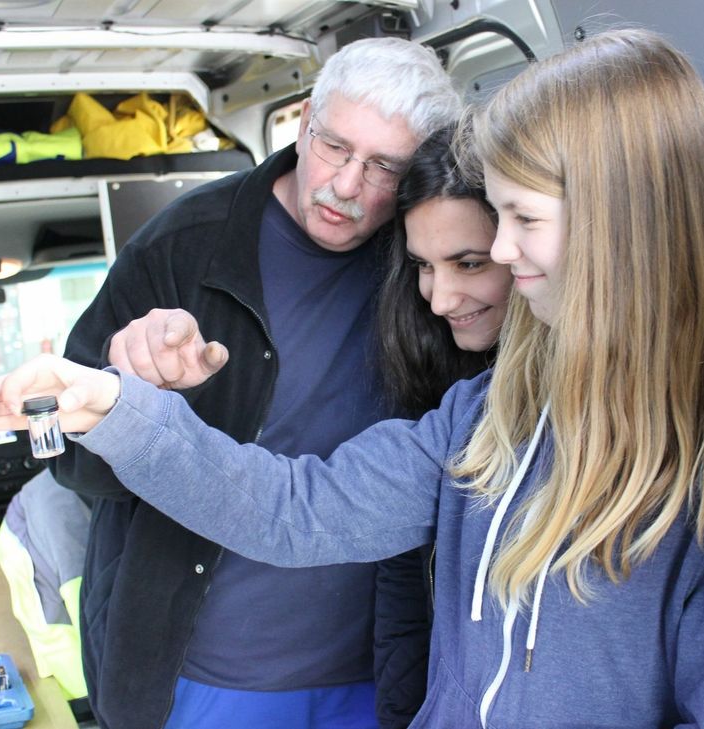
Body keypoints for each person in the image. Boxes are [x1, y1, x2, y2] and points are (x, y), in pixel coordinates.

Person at [0, 29, 704, 728]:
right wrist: (119, 407)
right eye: (332, 146)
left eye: (521, 220)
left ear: (621, 223)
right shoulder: (494, 410)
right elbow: (297, 507)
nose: (492, 258)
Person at [47, 37, 460, 729]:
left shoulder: (429, 270)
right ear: (302, 122)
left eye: (383, 167)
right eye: (334, 147)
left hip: (379, 674)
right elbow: (67, 455)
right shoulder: (181, 245)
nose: (347, 186)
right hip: (203, 680)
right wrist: (140, 395)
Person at [371, 125, 510, 729]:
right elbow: (405, 586)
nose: (441, 298)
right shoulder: (433, 379)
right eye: (424, 266)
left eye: (469, 263)